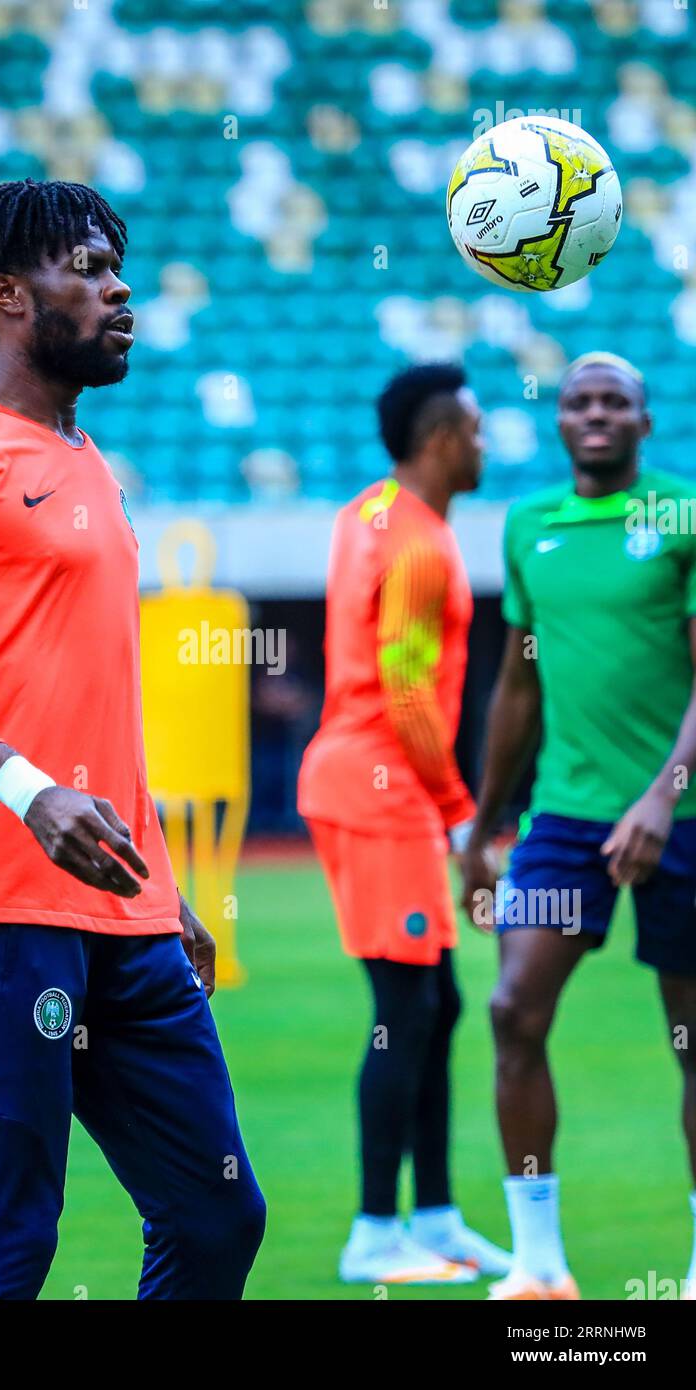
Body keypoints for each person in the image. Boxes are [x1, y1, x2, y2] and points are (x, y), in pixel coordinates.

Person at [0, 178, 265, 1300]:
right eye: (87, 268)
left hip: (118, 906)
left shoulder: (91, 465)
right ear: (7, 294)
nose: (118, 288)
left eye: (116, 267)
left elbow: (95, 705)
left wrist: (159, 885)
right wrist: (29, 790)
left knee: (217, 1214)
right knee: (7, 1243)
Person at [462, 352, 696, 1301]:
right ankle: (538, 1263)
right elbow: (518, 683)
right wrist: (482, 825)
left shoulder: (680, 513)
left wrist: (662, 794)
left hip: (685, 813)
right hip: (563, 816)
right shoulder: (530, 523)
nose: (596, 414)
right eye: (579, 402)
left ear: (644, 421)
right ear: (559, 421)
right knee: (513, 1011)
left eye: (615, 402)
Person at [298, 364, 510, 1284]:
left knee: (435, 1006)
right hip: (381, 791)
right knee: (406, 1011)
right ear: (439, 439)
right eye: (475, 428)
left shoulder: (366, 514)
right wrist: (464, 820)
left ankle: (436, 1218)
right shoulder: (420, 542)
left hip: (362, 780)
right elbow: (410, 692)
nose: (485, 442)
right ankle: (375, 1231)